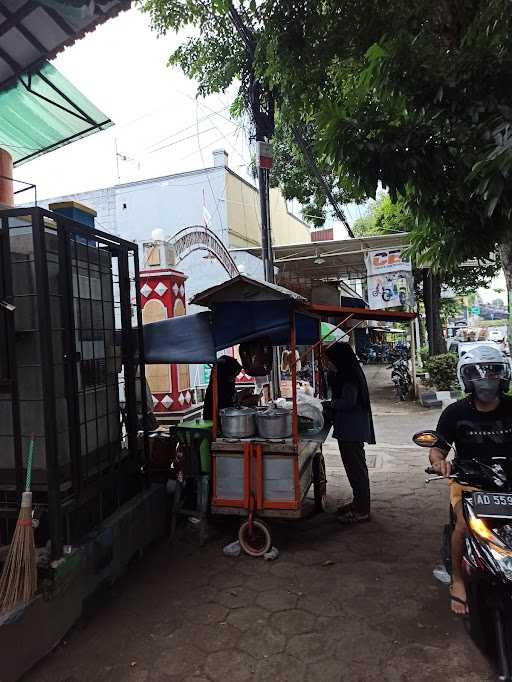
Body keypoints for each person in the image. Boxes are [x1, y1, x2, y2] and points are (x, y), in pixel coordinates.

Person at [429, 345, 512, 615]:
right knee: (464, 527)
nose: (486, 378)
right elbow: (438, 448)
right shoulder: (455, 412)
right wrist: (439, 462)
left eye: (493, 372)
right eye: (478, 373)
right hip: (469, 482)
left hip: (508, 481)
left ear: (504, 376)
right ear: (467, 378)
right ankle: (458, 580)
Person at [325, 342, 376, 523]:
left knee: (357, 470)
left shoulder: (349, 378)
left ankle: (362, 510)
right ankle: (358, 503)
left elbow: (348, 403)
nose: (328, 363)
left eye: (330, 360)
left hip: (352, 430)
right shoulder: (346, 373)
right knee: (354, 469)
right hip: (350, 428)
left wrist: (329, 404)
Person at [203, 355, 242, 421]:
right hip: (215, 419)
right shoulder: (216, 389)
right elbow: (226, 405)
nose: (233, 378)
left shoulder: (228, 384)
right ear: (226, 373)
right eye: (233, 375)